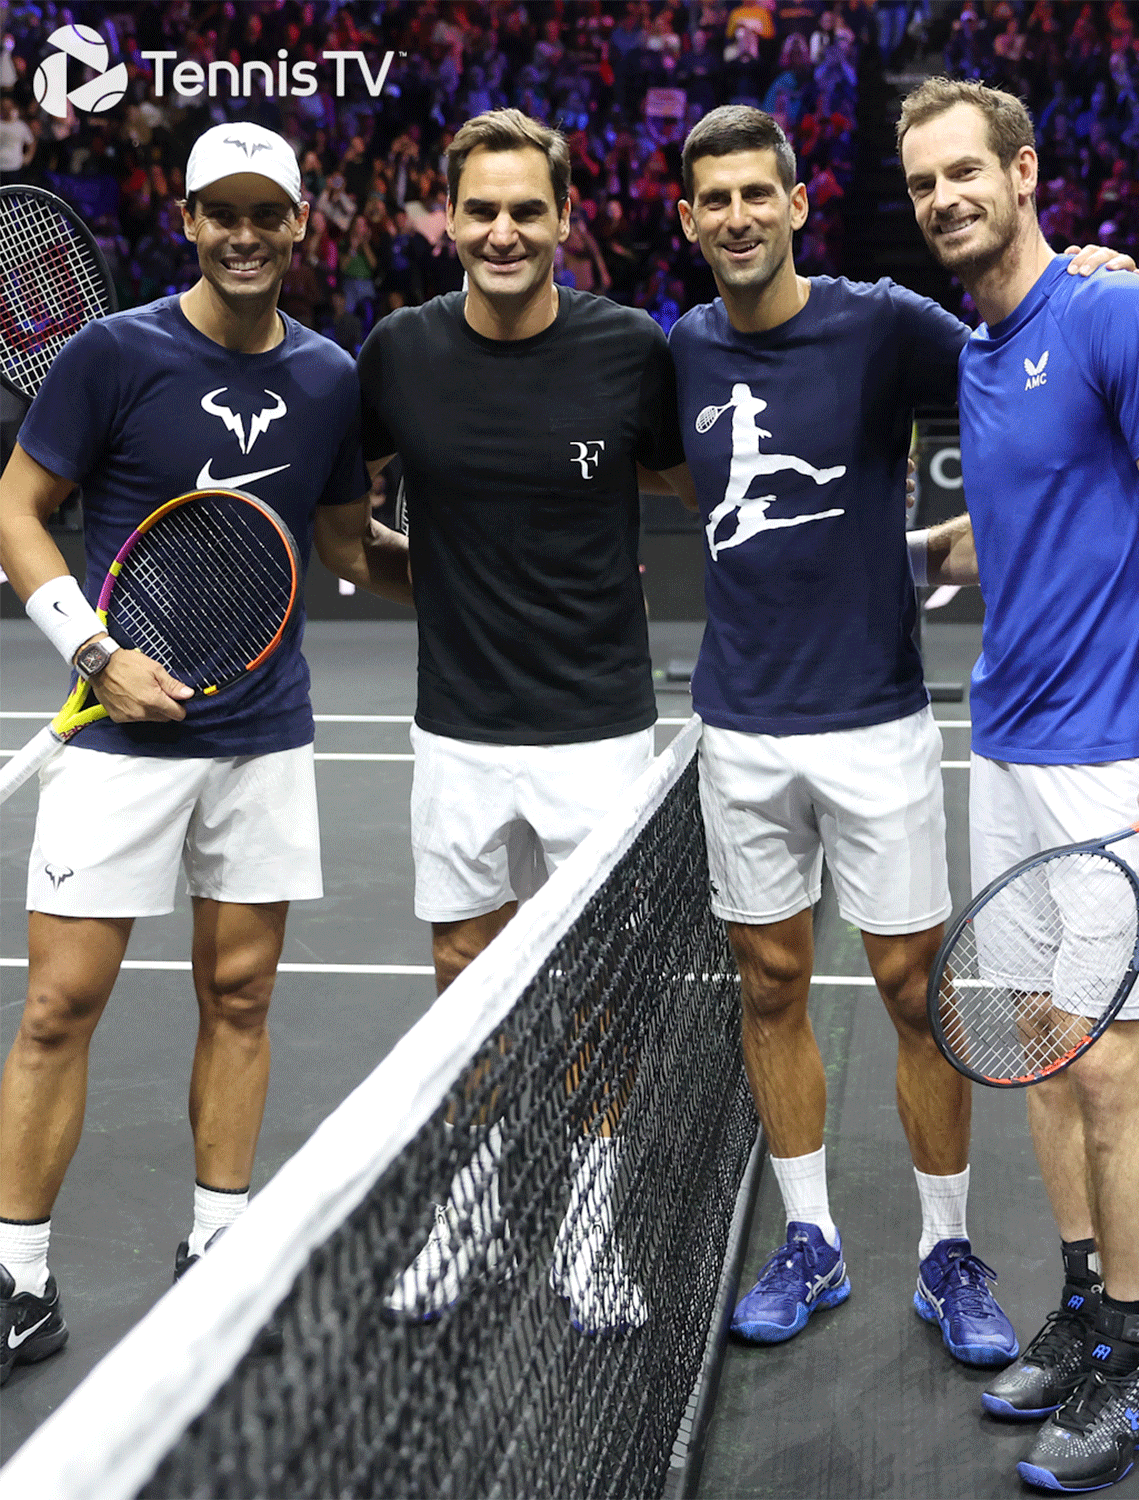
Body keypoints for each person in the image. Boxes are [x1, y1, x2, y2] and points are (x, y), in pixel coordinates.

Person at [668, 105, 1132, 1368]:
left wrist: (1098, 271)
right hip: (741, 729)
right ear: (690, 218)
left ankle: (944, 1250)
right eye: (716, 199)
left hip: (877, 719)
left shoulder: (884, 324)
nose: (740, 217)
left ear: (799, 202)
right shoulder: (683, 353)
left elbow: (1024, 336)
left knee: (917, 994)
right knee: (768, 986)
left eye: (760, 193)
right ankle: (810, 1238)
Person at [0, 122, 409, 1385]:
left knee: (240, 999)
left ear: (300, 227)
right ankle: (16, 1280)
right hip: (120, 741)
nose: (243, 234)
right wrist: (91, 653)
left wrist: (498, 582)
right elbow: (18, 509)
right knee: (59, 1007)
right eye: (219, 213)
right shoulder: (110, 353)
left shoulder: (335, 376)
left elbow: (348, 547)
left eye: (265, 215)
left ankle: (216, 1250)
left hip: (261, 737)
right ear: (187, 220)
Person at [899, 78, 1139, 1493]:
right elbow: (1040, 503)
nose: (948, 199)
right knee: (1038, 1043)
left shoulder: (1115, 311)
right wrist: (934, 548)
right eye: (924, 184)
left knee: (1117, 1069)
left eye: (969, 173)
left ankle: (1132, 1369)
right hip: (1006, 749)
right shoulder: (982, 343)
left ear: (1024, 171)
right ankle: (1080, 1311)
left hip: (1112, 761)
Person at [356, 109, 692, 1331]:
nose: (502, 231)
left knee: (599, 990)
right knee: (463, 974)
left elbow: (682, 475)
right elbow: (351, 531)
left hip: (599, 729)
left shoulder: (631, 352)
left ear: (564, 220)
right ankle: (474, 1204)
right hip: (456, 727)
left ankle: (587, 1221)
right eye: (480, 210)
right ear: (448, 218)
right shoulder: (397, 352)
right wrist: (438, 588)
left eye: (526, 210)